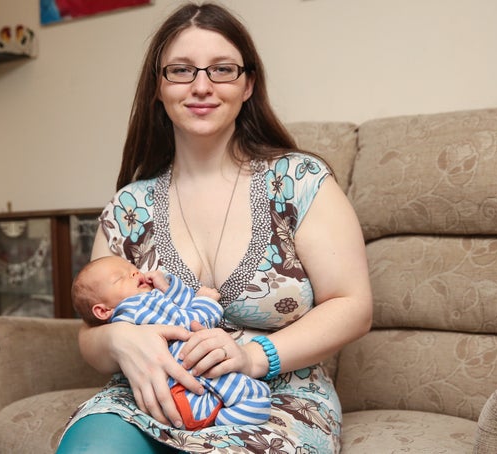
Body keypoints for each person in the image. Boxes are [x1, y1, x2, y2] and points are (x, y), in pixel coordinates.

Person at [57, 2, 372, 453]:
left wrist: (254, 356)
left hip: (272, 401)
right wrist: (119, 338)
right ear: (157, 88)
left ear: (248, 85)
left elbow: (353, 305)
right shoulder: (129, 207)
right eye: (181, 71)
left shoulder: (300, 182)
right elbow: (91, 331)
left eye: (222, 69)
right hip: (151, 397)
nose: (201, 86)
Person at [71, 255, 271, 429]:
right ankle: (218, 421)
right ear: (103, 310)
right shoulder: (136, 306)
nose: (133, 273)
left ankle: (213, 420)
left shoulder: (141, 307)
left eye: (133, 269)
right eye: (119, 278)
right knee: (256, 400)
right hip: (191, 382)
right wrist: (207, 302)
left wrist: (166, 286)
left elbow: (176, 307)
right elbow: (190, 323)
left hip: (175, 392)